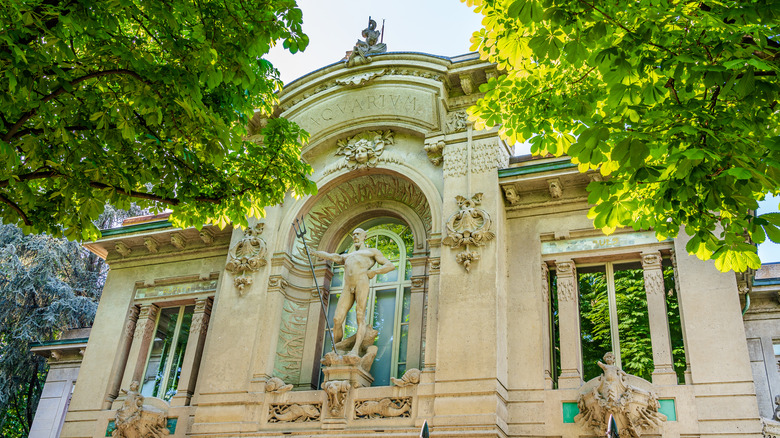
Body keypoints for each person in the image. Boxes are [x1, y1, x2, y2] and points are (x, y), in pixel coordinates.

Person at [311, 228, 395, 357]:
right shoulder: (347, 256)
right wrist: (315, 253)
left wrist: (374, 272)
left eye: (358, 234)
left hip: (362, 283)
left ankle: (355, 350)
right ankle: (337, 349)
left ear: (364, 236)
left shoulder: (371, 252)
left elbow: (390, 265)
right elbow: (331, 256)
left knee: (360, 316)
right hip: (347, 286)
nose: (355, 236)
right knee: (337, 319)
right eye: (353, 234)